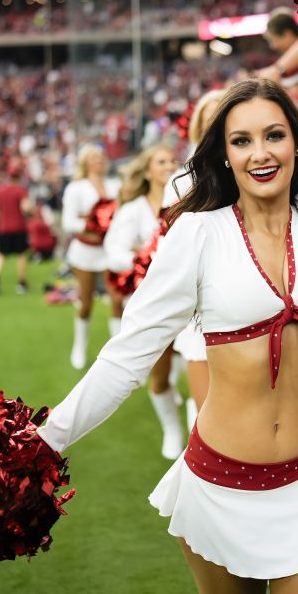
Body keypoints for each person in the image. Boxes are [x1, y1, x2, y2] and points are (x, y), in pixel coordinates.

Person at [37, 0, 298, 591]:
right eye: (242, 140)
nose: (261, 153)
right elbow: (129, 353)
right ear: (223, 156)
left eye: (275, 135)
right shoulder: (197, 234)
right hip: (220, 482)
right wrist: (42, 443)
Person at [103, 144, 182, 459]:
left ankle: (194, 415)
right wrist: (143, 257)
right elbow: (115, 253)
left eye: (172, 160)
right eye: (161, 161)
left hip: (193, 299)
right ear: (148, 171)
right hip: (154, 301)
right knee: (159, 373)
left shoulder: (188, 202)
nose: (168, 165)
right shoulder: (133, 209)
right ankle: (172, 430)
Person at [163, 89, 223, 430]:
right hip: (199, 291)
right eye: (209, 115)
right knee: (208, 409)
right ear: (198, 125)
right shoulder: (181, 179)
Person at [60, 144, 121, 370]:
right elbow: (68, 222)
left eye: (101, 156)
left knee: (117, 300)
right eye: (94, 157)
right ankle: (80, 347)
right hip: (84, 253)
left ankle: (119, 355)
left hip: (109, 252)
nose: (99, 160)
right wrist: (93, 224)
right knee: (86, 303)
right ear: (85, 162)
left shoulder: (116, 185)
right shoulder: (76, 188)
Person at [0, 162, 34, 294]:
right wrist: (29, 213)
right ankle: (22, 283)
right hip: (19, 227)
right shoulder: (21, 190)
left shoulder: (0, 191)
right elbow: (25, 208)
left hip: (4, 228)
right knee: (21, 255)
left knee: (0, 254)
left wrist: (1, 219)